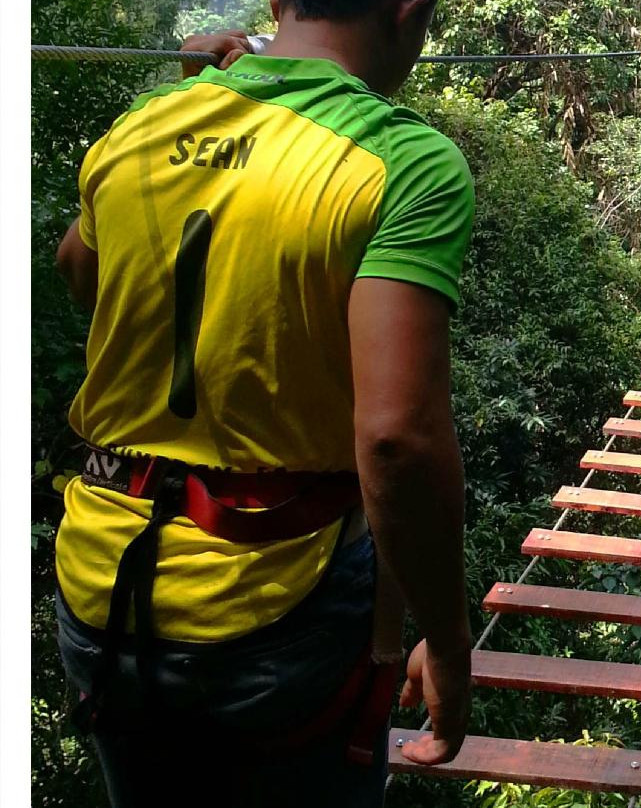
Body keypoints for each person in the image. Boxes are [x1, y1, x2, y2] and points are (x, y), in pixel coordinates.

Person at [52, 1, 474, 805]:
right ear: (409, 8)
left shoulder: (149, 119)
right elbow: (395, 440)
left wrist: (186, 114)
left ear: (278, 2)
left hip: (101, 583)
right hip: (278, 606)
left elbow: (80, 270)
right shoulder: (403, 159)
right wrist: (447, 641)